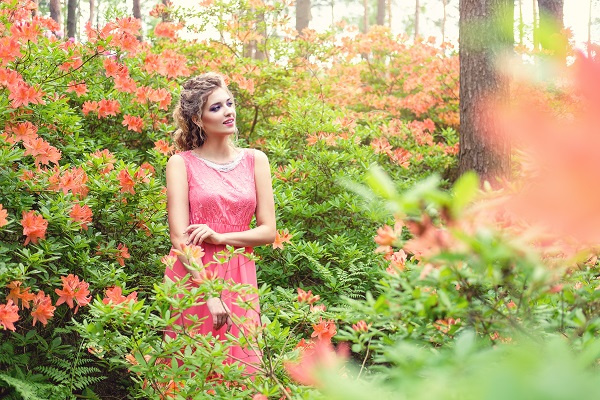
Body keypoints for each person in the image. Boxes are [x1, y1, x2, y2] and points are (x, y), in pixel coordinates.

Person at [164, 72, 276, 372]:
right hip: (195, 276)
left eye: (229, 103)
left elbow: (268, 231)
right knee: (195, 371)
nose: (228, 111)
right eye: (216, 108)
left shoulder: (256, 160)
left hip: (239, 273)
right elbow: (179, 238)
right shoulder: (181, 163)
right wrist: (209, 295)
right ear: (198, 120)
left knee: (243, 369)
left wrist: (221, 237)